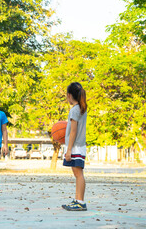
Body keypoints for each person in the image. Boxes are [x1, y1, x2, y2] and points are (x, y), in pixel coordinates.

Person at [62, 82, 88, 211]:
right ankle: (78, 200)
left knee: (78, 174)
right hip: (80, 146)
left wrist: (68, 150)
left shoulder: (74, 110)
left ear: (69, 95)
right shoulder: (82, 108)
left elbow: (73, 131)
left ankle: (80, 202)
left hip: (76, 147)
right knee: (78, 174)